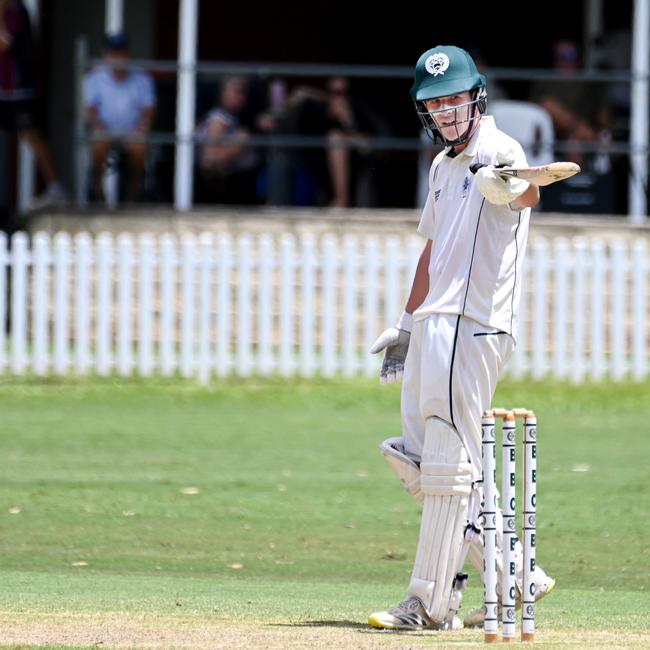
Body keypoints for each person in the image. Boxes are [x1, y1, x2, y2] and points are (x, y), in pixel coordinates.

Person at [367, 45, 555, 631]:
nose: (447, 112)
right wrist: (405, 320)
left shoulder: (499, 149)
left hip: (471, 323)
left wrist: (509, 187)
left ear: (476, 96)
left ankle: (429, 603)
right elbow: (432, 246)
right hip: (432, 321)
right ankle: (517, 572)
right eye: (435, 103)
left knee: (449, 463)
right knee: (417, 458)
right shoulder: (442, 167)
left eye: (454, 99)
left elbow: (528, 193)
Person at [0, 0, 66, 209]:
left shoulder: (18, 12)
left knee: (33, 137)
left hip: (20, 90)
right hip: (2, 90)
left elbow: (3, 44)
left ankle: (56, 188)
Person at [84, 32, 156, 203]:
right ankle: (98, 196)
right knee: (97, 144)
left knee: (140, 146)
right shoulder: (95, 77)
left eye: (121, 52)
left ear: (127, 53)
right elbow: (90, 108)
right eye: (113, 53)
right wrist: (99, 126)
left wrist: (141, 126)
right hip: (104, 130)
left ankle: (133, 196)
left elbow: (149, 108)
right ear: (105, 55)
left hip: (132, 131)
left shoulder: (142, 77)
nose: (117, 57)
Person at [529, 39, 611, 171]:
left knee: (574, 142)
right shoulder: (545, 81)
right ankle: (586, 133)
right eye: (561, 56)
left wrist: (602, 131)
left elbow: (603, 117)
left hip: (576, 137)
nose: (565, 61)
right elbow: (533, 112)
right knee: (548, 105)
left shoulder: (589, 82)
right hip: (549, 132)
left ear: (578, 58)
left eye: (569, 55)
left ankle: (573, 187)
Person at [195, 75, 261, 204]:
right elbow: (210, 158)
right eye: (236, 92)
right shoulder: (218, 118)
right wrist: (237, 144)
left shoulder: (238, 117)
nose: (240, 97)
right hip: (220, 184)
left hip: (238, 180)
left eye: (243, 93)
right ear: (222, 93)